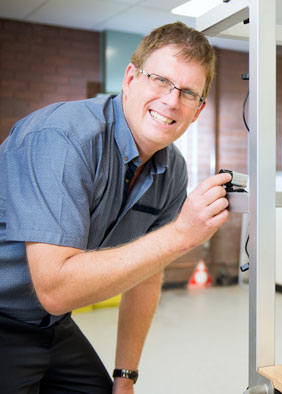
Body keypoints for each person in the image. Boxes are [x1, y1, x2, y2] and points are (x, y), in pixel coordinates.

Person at [0, 22, 231, 393]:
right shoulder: (63, 139)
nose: (171, 101)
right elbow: (55, 287)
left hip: (52, 323)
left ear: (198, 110)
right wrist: (180, 235)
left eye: (188, 93)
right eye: (160, 80)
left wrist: (126, 377)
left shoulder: (173, 170)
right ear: (129, 79)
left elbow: (145, 274)